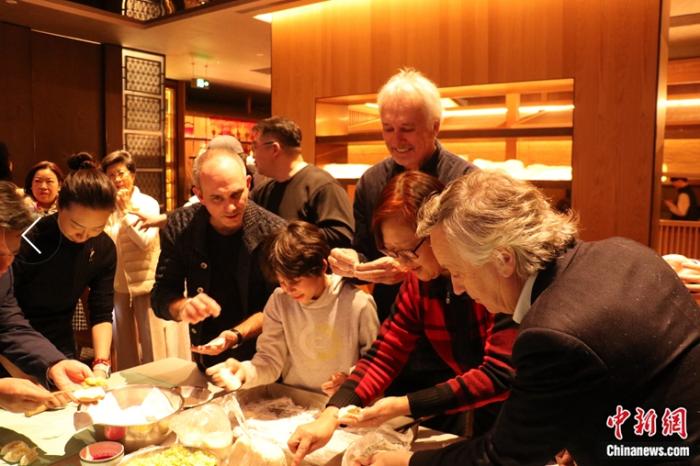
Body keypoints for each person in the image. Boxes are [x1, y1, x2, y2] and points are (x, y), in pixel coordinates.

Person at [364, 169, 700, 466]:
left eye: (458, 271)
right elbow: (630, 377)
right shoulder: (623, 250)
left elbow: (502, 458)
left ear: (503, 259)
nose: (458, 288)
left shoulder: (552, 334)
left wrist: (406, 461)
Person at [287, 172, 516, 464]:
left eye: (409, 251)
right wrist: (332, 414)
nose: (403, 264)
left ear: (439, 232)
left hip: (525, 399)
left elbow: (500, 373)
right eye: (393, 252)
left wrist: (403, 406)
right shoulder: (418, 283)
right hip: (480, 401)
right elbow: (386, 352)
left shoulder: (492, 277)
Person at [329, 69, 475, 318]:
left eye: (407, 128)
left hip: (456, 312)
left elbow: (477, 262)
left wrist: (410, 265)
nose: (396, 140)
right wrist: (352, 263)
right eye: (388, 129)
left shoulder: (466, 182)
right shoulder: (371, 181)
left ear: (435, 127)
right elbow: (365, 251)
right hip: (392, 311)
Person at [204, 220, 378, 394]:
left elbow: (375, 366)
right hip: (294, 400)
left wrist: (350, 381)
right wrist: (243, 373)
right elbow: (270, 360)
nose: (288, 289)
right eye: (281, 281)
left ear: (322, 267)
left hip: (342, 403)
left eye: (295, 281)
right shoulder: (280, 300)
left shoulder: (358, 303)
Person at [151, 146, 286, 368]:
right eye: (217, 198)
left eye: (236, 194)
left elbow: (282, 306)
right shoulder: (181, 226)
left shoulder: (274, 232)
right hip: (208, 355)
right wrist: (182, 307)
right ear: (199, 196)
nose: (230, 207)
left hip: (265, 359)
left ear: (248, 184)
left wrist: (235, 335)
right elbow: (162, 293)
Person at [12, 153, 116, 379]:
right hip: (16, 338)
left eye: (97, 228)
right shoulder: (30, 239)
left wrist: (101, 364)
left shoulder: (104, 247)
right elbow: (6, 305)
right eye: (77, 226)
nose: (85, 236)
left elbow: (101, 310)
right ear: (59, 205)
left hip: (62, 342)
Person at [0, 181, 93, 413]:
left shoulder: (4, 270)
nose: (4, 266)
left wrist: (54, 363)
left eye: (12, 254)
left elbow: (8, 323)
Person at [102, 150, 189, 369]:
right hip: (119, 282)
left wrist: (126, 213)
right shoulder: (107, 208)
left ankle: (159, 380)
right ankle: (128, 382)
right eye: (110, 175)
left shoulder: (147, 203)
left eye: (120, 173)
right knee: (123, 342)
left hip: (146, 280)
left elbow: (144, 241)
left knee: (152, 339)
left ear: (132, 175)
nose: (116, 179)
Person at [251, 116, 354, 249]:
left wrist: (288, 235)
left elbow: (341, 236)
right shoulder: (263, 190)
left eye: (255, 147)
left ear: (274, 149)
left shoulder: (323, 186)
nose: (252, 154)